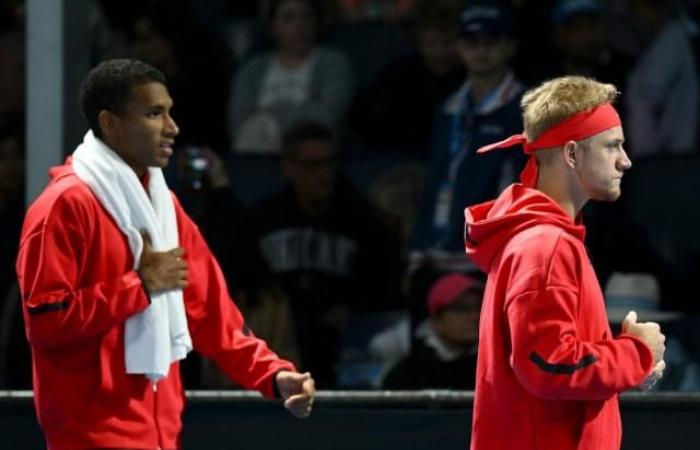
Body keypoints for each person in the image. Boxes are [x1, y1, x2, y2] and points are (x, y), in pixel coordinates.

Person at [16, 59, 315, 450]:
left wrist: (272, 375)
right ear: (110, 123)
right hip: (88, 436)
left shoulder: (162, 204)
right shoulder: (64, 206)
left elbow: (211, 314)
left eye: (169, 112)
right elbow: (45, 321)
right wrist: (139, 285)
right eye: (154, 114)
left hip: (161, 435)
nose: (172, 127)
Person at [464, 75, 666, 450]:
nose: (626, 160)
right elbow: (548, 365)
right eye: (612, 146)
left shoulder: (544, 239)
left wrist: (625, 369)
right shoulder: (545, 245)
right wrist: (635, 352)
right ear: (572, 154)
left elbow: (555, 363)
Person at [238, 121, 403, 387]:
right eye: (313, 165)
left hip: (341, 342)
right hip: (279, 336)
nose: (324, 174)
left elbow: (380, 284)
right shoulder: (264, 218)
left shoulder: (361, 218)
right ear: (288, 168)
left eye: (329, 163)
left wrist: (347, 307)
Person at [409, 2, 526, 276]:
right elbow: (434, 180)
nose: (481, 51)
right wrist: (417, 249)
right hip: (436, 255)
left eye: (491, 41)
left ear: (510, 47)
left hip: (489, 259)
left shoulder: (527, 109)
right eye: (472, 42)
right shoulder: (448, 110)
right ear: (459, 48)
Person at [228, 0, 355, 153]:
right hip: (257, 156)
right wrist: (307, 111)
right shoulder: (252, 69)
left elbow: (328, 117)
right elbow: (239, 126)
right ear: (273, 27)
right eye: (288, 18)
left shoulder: (333, 62)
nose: (299, 26)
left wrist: (268, 117)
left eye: (306, 17)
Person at [381, 272, 482, 390]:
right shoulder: (407, 375)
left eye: (480, 307)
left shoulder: (497, 368)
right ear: (436, 320)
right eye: (461, 309)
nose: (475, 316)